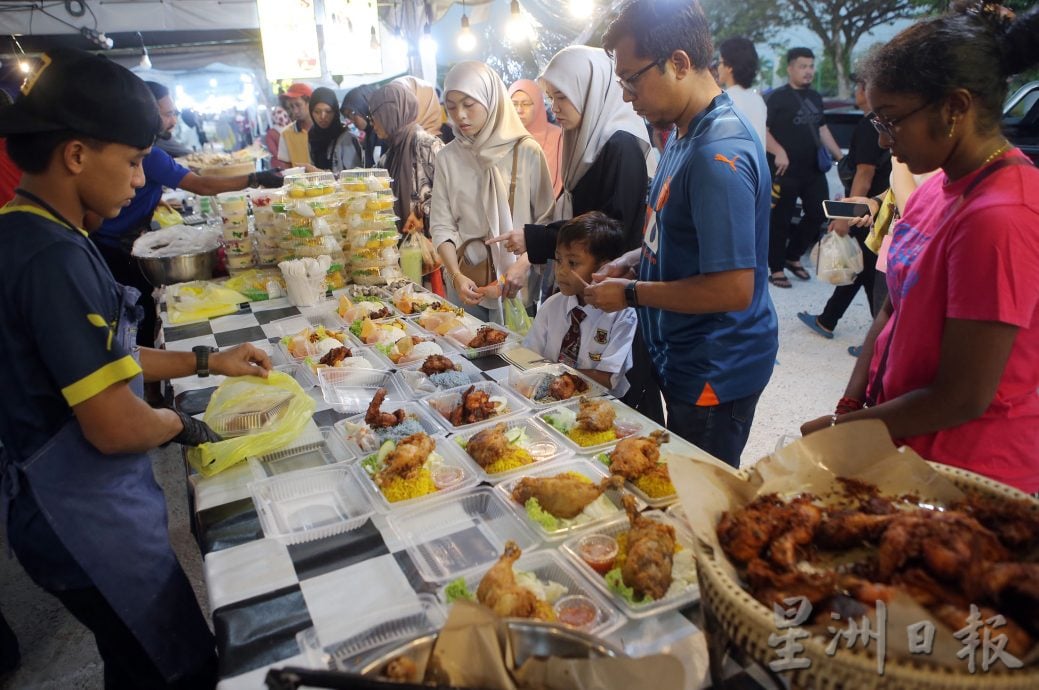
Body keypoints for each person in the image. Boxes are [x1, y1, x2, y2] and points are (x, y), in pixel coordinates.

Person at [0, 48, 273, 688]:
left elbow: (110, 358)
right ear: (75, 155)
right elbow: (117, 427)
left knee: (138, 659)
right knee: (170, 666)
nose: (136, 181)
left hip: (69, 506)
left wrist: (211, 359)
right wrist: (181, 423)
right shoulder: (51, 259)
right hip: (83, 518)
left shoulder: (38, 232)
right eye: (129, 162)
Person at [801, 2, 1039, 496]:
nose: (884, 140)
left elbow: (962, 396)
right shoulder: (936, 188)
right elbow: (892, 306)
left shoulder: (1002, 216)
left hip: (965, 471)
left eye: (890, 121)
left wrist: (850, 436)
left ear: (954, 108)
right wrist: (852, 406)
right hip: (902, 441)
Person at [586, 0, 779, 467]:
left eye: (633, 79)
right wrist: (631, 260)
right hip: (682, 351)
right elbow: (674, 232)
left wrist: (630, 293)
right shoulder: (684, 131)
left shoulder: (718, 154)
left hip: (715, 367)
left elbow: (733, 288)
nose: (628, 96)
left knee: (696, 489)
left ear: (679, 63)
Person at [91, 81, 282, 348]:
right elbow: (202, 185)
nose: (173, 120)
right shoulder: (153, 157)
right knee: (138, 313)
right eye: (167, 114)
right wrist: (255, 177)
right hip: (115, 250)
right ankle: (144, 369)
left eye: (175, 113)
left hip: (114, 244)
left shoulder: (149, 154)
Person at [430, 61, 554, 323]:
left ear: (490, 99)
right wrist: (455, 275)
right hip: (466, 288)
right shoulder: (447, 158)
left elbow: (547, 221)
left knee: (519, 361)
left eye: (468, 104)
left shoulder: (526, 151)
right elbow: (441, 225)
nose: (460, 115)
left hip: (516, 286)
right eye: (451, 107)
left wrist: (524, 263)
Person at [797, 73, 891, 340]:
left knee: (871, 273)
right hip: (877, 210)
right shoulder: (883, 123)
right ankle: (828, 320)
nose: (856, 92)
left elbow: (864, 173)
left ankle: (881, 342)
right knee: (863, 268)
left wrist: (844, 217)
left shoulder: (869, 126)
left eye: (858, 87)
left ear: (867, 90)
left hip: (866, 211)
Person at [524, 212, 637, 397]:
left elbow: (606, 378)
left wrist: (554, 376)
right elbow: (530, 357)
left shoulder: (621, 315)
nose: (561, 271)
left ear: (603, 267)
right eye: (559, 259)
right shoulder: (552, 305)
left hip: (596, 404)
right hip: (547, 398)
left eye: (573, 263)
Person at [764, 47, 844, 288]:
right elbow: (763, 131)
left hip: (812, 170)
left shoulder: (816, 97)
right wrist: (779, 151)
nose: (808, 71)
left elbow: (822, 129)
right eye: (803, 66)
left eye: (811, 66)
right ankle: (776, 267)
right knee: (780, 220)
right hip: (783, 171)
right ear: (790, 68)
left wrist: (841, 156)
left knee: (818, 213)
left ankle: (792, 256)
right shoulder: (776, 97)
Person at [369, 81, 444, 233]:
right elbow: (368, 182)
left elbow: (454, 192)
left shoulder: (427, 145)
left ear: (390, 113)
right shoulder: (389, 156)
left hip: (433, 245)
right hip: (404, 247)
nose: (373, 124)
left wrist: (421, 211)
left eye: (375, 116)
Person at [509, 78, 563, 196]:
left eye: (526, 104)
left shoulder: (557, 137)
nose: (519, 110)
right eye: (514, 104)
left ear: (538, 104)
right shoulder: (502, 137)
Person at [716, 37, 767, 146]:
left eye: (719, 62)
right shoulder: (758, 100)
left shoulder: (723, 101)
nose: (718, 68)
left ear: (729, 66)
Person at [307, 87, 362, 174]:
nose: (322, 117)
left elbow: (355, 176)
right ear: (311, 112)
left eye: (328, 111)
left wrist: (320, 173)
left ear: (335, 112)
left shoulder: (346, 138)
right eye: (317, 112)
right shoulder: (312, 135)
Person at [341, 84, 383, 167]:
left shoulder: (383, 134)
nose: (351, 120)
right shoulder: (369, 136)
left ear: (365, 107)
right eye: (348, 116)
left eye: (352, 113)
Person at [276, 82, 313, 168]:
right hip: (299, 181)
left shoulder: (324, 130)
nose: (295, 111)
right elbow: (286, 166)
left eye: (298, 105)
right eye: (291, 107)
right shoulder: (286, 134)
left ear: (309, 103)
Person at [264, 102, 291, 166]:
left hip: (281, 166)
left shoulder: (270, 133)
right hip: (285, 165)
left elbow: (273, 151)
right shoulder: (294, 128)